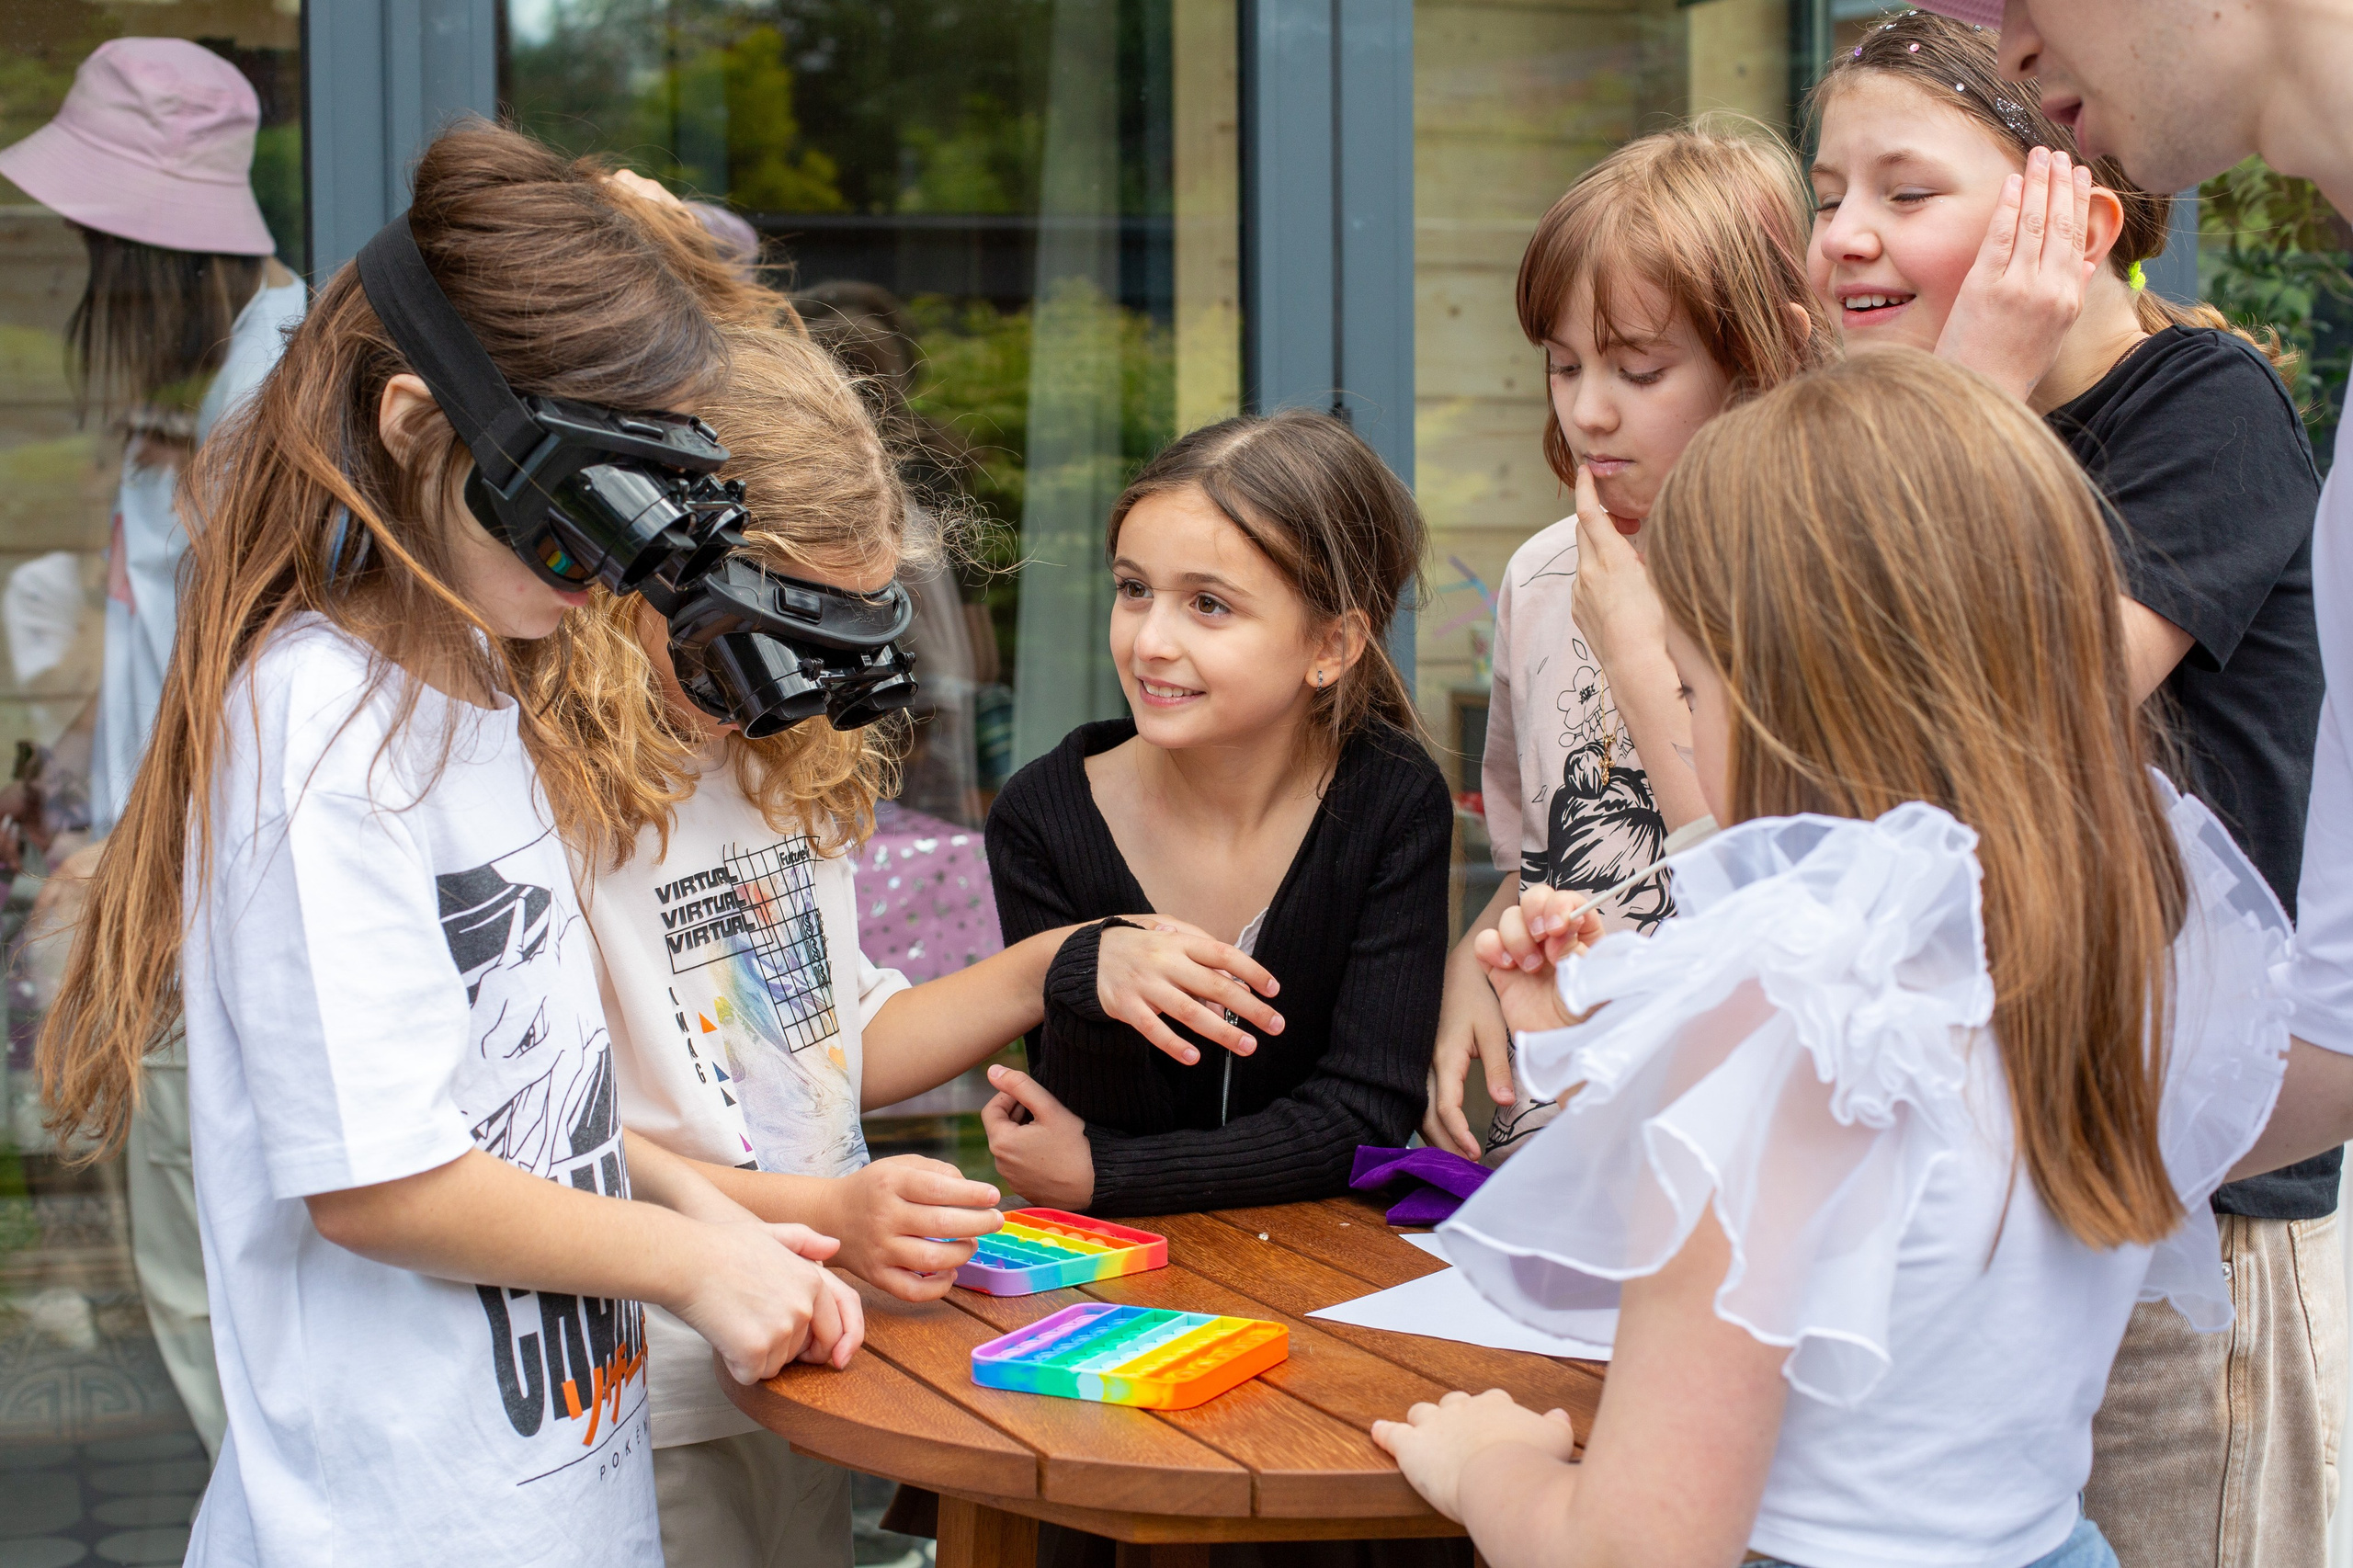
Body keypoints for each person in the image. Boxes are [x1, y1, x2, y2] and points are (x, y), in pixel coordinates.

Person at [33, 122, 866, 1567]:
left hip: (553, 1491)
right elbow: (382, 1180)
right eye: (583, 509)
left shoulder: (478, 681)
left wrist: (730, 1221)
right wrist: (691, 1260)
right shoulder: (321, 726)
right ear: (422, 426)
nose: (615, 569)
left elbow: (539, 1114)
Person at [1372, 346, 2290, 1568]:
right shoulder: (2098, 965)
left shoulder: (1787, 1023)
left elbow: (1635, 1551)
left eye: (1688, 689)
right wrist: (1577, 1038)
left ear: (1784, 703)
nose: (1683, 725)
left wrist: (1490, 1466)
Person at [524, 318, 1264, 1567]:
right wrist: (829, 1209)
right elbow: (561, 1137)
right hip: (643, 1378)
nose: (804, 676)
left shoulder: (778, 766)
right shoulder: (552, 795)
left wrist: (1057, 961)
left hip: (805, 1342)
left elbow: (832, 1044)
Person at [1807, 17, 2339, 1558]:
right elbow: (1822, 792)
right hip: (2001, 1210)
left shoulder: (2204, 414)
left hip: (2196, 1227)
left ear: (2073, 220)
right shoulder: (1921, 441)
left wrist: (1966, 388)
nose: (1844, 234)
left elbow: (1973, 744)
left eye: (1907, 192)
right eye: (1830, 189)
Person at [0, 37, 308, 1460]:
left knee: (216, 1304)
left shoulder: (277, 401)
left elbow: (266, 690)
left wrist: (124, 851)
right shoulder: (198, 385)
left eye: (94, 240)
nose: (78, 272)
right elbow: (150, 650)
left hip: (208, 907)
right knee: (190, 1287)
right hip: (148, 891)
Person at [1421, 123, 1836, 1163]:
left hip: (1742, 1137)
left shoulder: (1818, 572)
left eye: (1640, 370)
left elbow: (1787, 880)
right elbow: (1537, 851)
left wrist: (1641, 648)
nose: (1589, 410)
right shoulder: (1539, 574)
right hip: (1561, 1128)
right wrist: (1470, 968)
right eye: (1564, 366)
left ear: (1755, 361)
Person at [983, 409, 1449, 1218]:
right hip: (1117, 1276)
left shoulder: (1393, 798)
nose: (1151, 640)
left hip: (1336, 1265)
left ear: (1331, 648)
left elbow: (1364, 1118)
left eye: (1208, 605)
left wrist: (1116, 1176)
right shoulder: (1042, 818)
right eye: (1134, 591)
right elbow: (1091, 1112)